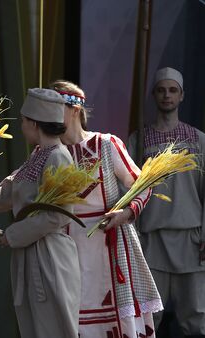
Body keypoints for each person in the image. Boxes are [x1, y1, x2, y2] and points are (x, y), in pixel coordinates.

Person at [0, 88, 81, 338]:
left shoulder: (58, 158)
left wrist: (15, 233)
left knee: (52, 328)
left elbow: (59, 214)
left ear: (34, 123)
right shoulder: (38, 155)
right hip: (32, 253)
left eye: (23, 120)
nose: (21, 125)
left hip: (50, 256)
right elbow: (4, 194)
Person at [50, 80, 162, 338]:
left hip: (110, 247)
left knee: (116, 322)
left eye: (56, 107)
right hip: (67, 250)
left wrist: (126, 213)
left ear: (74, 109)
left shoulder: (106, 144)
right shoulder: (49, 152)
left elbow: (143, 184)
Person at [128, 67, 205, 338]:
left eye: (172, 90)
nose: (167, 95)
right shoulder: (139, 141)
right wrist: (133, 236)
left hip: (191, 240)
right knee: (148, 318)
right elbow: (129, 192)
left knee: (195, 319)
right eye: (161, 90)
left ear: (182, 95)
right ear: (153, 95)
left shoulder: (198, 140)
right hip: (152, 240)